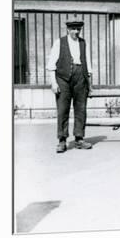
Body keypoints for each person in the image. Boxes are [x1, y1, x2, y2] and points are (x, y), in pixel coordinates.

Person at [46, 20, 93, 153]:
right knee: (63, 109)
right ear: (68, 29)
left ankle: (79, 139)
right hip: (63, 79)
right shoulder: (59, 42)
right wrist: (54, 83)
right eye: (73, 29)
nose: (76, 32)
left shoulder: (83, 43)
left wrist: (89, 84)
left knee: (81, 109)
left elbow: (88, 64)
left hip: (80, 78)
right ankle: (62, 140)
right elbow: (51, 65)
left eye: (78, 29)